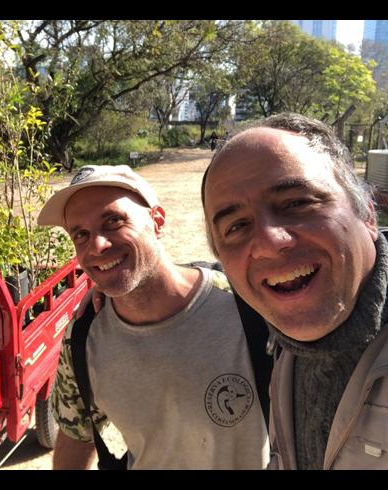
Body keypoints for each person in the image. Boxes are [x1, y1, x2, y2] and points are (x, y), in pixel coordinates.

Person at [200, 113, 388, 469]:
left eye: (296, 203)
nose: (269, 243)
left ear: (367, 214)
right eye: (236, 226)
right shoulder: (280, 339)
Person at [37, 165, 269, 469]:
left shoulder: (246, 303)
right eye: (81, 234)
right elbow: (76, 434)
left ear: (157, 221)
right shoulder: (83, 337)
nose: (97, 245)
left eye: (113, 221)